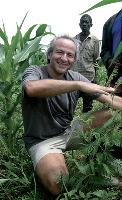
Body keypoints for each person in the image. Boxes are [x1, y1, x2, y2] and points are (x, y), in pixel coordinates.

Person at [22, 35, 122, 196]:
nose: (64, 58)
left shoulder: (76, 77)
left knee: (114, 112)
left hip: (70, 131)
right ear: (49, 55)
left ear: (74, 59)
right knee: (60, 186)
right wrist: (77, 85)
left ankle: (102, 155)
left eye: (70, 55)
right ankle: (80, 174)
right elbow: (32, 89)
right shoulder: (35, 71)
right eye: (59, 52)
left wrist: (81, 83)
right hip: (42, 141)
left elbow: (110, 99)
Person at [72, 14, 100, 112]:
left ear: (91, 24)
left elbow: (96, 60)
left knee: (88, 107)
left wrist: (96, 77)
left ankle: (85, 127)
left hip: (88, 78)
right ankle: (68, 126)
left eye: (86, 22)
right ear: (79, 24)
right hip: (74, 78)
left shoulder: (95, 41)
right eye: (82, 22)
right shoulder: (73, 40)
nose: (84, 24)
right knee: (70, 105)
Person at [100, 9, 122, 96]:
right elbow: (104, 50)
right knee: (114, 106)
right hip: (115, 77)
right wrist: (109, 60)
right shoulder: (110, 22)